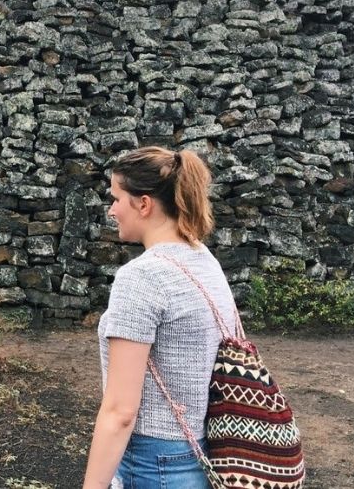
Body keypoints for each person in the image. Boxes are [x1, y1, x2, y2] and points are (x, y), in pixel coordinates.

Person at [82, 146, 237, 489]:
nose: (111, 210)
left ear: (144, 204)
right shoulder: (203, 259)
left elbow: (121, 412)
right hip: (202, 450)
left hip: (155, 464)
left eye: (117, 198)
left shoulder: (142, 277)